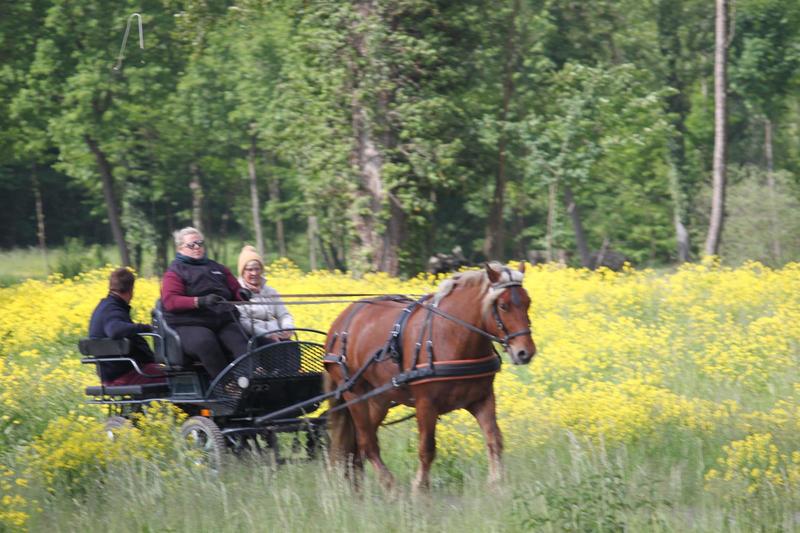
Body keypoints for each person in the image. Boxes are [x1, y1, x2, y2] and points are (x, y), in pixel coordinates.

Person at [160, 227, 249, 378]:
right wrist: (200, 301)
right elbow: (171, 301)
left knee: (241, 340)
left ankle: (253, 377)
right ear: (180, 248)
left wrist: (242, 294)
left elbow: (235, 290)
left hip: (222, 320)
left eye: (200, 243)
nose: (197, 247)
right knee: (205, 342)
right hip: (190, 323)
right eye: (192, 245)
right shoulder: (175, 272)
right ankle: (227, 385)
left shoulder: (218, 268)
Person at [88, 268, 166, 385]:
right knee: (176, 379)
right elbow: (114, 330)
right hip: (127, 374)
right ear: (130, 290)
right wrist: (144, 327)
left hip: (113, 373)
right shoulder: (113, 309)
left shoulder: (104, 306)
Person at [236, 245, 295, 342]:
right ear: (242, 272)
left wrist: (288, 328)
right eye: (250, 270)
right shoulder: (238, 293)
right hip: (255, 337)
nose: (254, 273)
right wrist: (267, 335)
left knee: (292, 346)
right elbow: (244, 321)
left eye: (257, 269)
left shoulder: (270, 291)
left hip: (276, 333)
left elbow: (284, 314)